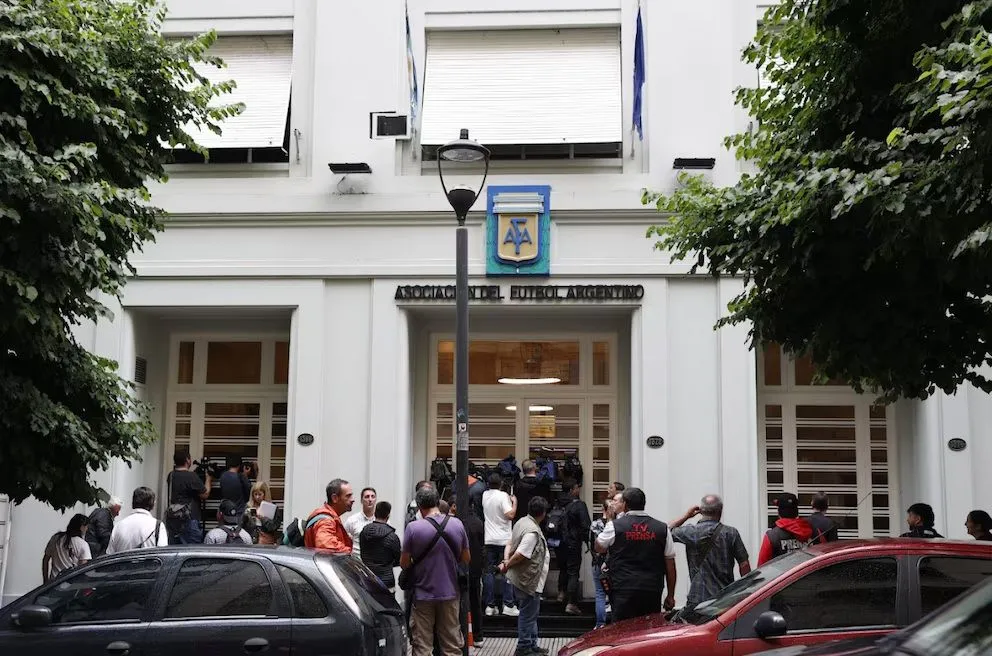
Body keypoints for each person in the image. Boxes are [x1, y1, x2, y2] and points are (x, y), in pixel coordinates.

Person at [400, 485, 470, 656]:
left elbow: (404, 563)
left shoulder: (413, 528)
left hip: (423, 594)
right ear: (438, 502)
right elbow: (466, 558)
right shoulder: (457, 524)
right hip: (450, 592)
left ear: (419, 506)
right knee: (451, 645)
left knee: (422, 646)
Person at [595, 487, 677, 621]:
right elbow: (670, 564)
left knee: (621, 628)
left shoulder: (615, 526)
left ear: (625, 504)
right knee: (648, 628)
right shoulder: (662, 528)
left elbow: (599, 547)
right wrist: (671, 595)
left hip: (622, 587)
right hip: (652, 589)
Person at [669, 494, 752, 610]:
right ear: (720, 511)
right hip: (725, 598)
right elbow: (744, 564)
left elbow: (667, 531)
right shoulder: (731, 533)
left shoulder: (691, 532)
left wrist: (687, 516)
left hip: (698, 598)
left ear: (701, 512)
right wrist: (745, 591)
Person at [500, 496, 551, 656]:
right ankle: (523, 647)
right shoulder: (532, 532)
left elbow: (509, 543)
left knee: (531, 614)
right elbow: (521, 554)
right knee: (527, 615)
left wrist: (506, 561)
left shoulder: (522, 522)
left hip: (527, 578)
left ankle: (532, 644)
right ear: (543, 513)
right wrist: (507, 564)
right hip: (528, 580)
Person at [450, 494, 486, 643]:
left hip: (458, 567)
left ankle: (459, 635)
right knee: (475, 601)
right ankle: (478, 636)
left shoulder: (455, 523)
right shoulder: (478, 522)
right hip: (475, 567)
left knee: (456, 602)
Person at [482, 472, 518, 616]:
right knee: (507, 570)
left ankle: (490, 606)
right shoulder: (503, 496)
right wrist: (514, 502)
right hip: (504, 540)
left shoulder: (485, 495)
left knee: (489, 572)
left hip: (489, 539)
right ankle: (508, 604)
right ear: (501, 484)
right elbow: (510, 515)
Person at [558, 480, 590, 616]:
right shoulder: (579, 505)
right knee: (573, 571)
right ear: (572, 490)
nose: (579, 489)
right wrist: (587, 541)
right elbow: (585, 525)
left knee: (563, 568)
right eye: (577, 487)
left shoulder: (558, 503)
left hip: (559, 543)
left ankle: (561, 593)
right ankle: (571, 603)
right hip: (573, 542)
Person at [757, 493, 817, 565]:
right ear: (796, 512)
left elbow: (762, 566)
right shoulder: (814, 531)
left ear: (779, 512)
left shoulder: (772, 536)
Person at [167, 450, 211, 544]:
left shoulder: (171, 475)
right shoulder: (191, 476)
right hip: (189, 519)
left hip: (173, 519)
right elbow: (205, 494)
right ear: (187, 460)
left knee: (174, 548)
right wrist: (208, 479)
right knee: (192, 549)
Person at [107, 486, 169, 554]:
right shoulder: (158, 526)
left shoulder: (118, 526)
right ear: (152, 505)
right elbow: (163, 555)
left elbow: (110, 554)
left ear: (133, 502)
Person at [304, 478, 354, 553]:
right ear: (334, 498)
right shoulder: (326, 521)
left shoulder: (329, 518)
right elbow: (326, 547)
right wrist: (350, 552)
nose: (352, 499)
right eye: (348, 496)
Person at [360, 501, 401, 590]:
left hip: (367, 580)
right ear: (388, 515)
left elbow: (362, 554)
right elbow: (399, 560)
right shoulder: (392, 537)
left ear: (375, 513)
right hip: (386, 582)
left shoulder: (364, 532)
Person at [42, 514, 91, 582]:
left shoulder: (55, 538)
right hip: (70, 584)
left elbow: (45, 560)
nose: (87, 529)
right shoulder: (82, 544)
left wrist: (45, 580)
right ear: (82, 527)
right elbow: (83, 569)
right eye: (86, 526)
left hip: (54, 583)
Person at [589, 499, 613, 629]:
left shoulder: (595, 524)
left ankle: (600, 624)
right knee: (614, 593)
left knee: (600, 593)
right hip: (613, 563)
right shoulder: (616, 524)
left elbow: (592, 544)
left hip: (598, 561)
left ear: (602, 509)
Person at [513, 460, 551, 527]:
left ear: (523, 471)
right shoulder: (543, 485)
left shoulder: (517, 485)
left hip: (522, 519)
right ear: (534, 469)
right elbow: (549, 502)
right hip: (540, 520)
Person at [346, 487, 377, 559]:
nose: (370, 499)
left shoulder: (382, 521)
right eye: (367, 497)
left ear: (375, 500)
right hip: (356, 562)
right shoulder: (352, 520)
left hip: (376, 562)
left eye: (373, 497)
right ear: (361, 500)